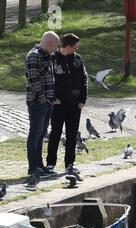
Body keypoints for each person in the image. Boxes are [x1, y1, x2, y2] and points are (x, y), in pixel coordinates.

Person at [46, 33, 88, 174]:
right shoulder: (53, 58)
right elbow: (47, 80)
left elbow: (84, 80)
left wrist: (83, 99)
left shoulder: (78, 59)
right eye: (76, 46)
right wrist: (52, 97)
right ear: (69, 46)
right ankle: (50, 164)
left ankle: (69, 164)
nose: (77, 48)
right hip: (58, 104)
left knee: (72, 135)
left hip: (75, 105)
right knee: (55, 134)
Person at [25, 31, 60, 178]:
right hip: (37, 102)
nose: (56, 49)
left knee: (41, 135)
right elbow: (34, 81)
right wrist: (44, 98)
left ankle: (40, 165)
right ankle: (33, 167)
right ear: (49, 43)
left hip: (47, 101)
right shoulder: (34, 56)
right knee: (35, 134)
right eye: (55, 46)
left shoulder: (47, 56)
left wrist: (51, 98)